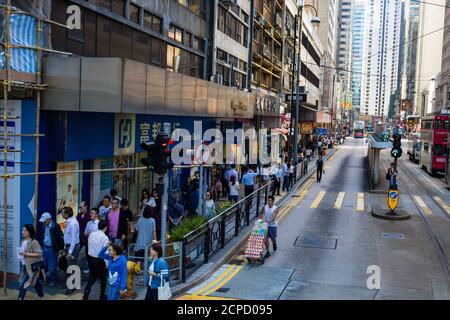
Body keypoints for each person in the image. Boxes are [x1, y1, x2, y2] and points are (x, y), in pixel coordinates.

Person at [83, 221, 109, 300]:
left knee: (92, 277)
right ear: (105, 227)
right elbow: (106, 251)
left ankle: (86, 294)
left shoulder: (91, 234)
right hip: (100, 260)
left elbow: (89, 246)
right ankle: (102, 296)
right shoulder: (104, 237)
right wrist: (107, 264)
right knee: (103, 279)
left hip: (91, 258)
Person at [17, 224, 45, 300]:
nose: (22, 232)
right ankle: (41, 295)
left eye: (25, 230)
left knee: (22, 284)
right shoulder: (22, 241)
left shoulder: (34, 242)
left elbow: (39, 254)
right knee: (35, 282)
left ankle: (20, 298)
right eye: (22, 230)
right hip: (25, 265)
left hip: (31, 267)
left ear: (30, 232)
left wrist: (26, 254)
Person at [39, 212, 64, 287]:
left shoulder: (55, 226)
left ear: (49, 219)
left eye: (44, 220)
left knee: (52, 266)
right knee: (44, 265)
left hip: (52, 249)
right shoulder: (44, 225)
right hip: (44, 247)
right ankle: (45, 279)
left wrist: (60, 249)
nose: (43, 222)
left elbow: (60, 238)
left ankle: (53, 280)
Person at [62, 206, 80, 295]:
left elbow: (73, 239)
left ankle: (72, 287)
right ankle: (71, 283)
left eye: (62, 213)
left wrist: (69, 252)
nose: (61, 214)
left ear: (67, 214)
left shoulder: (73, 223)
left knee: (72, 267)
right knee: (69, 266)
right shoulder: (69, 221)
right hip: (69, 246)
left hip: (72, 247)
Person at [77, 201, 91, 274]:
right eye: (79, 207)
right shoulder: (78, 215)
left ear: (86, 207)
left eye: (81, 207)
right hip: (79, 237)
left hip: (86, 238)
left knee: (87, 252)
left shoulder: (89, 216)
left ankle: (87, 267)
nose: (80, 209)